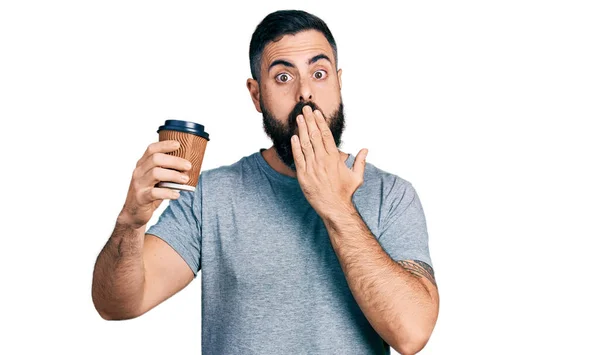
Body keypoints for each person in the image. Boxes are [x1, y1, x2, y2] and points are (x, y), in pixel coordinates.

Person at [92, 9, 439, 355]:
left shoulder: (391, 195)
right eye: (284, 78)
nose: (306, 93)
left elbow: (411, 334)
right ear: (257, 95)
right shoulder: (210, 196)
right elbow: (118, 304)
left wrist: (336, 205)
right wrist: (130, 222)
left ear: (339, 82)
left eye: (319, 73)